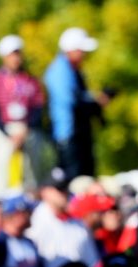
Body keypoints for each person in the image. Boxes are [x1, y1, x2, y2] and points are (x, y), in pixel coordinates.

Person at [0, 35, 46, 194]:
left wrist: (25, 130)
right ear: (3, 56)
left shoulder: (30, 80)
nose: (16, 58)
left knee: (30, 173)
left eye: (18, 53)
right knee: (3, 172)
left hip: (27, 129)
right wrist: (7, 133)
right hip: (3, 130)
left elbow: (38, 107)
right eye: (12, 54)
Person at [44, 27, 104, 179]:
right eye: (81, 50)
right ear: (71, 50)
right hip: (69, 137)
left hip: (79, 135)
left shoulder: (72, 70)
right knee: (75, 180)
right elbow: (72, 103)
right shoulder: (60, 71)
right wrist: (95, 104)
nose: (84, 54)